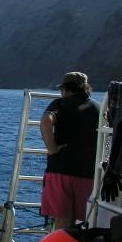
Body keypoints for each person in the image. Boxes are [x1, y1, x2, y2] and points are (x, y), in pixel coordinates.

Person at [40, 72, 99, 230]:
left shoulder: (61, 104)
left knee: (61, 221)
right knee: (77, 223)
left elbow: (46, 121)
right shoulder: (98, 108)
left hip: (60, 171)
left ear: (65, 90)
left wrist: (52, 148)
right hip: (88, 174)